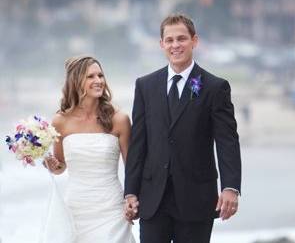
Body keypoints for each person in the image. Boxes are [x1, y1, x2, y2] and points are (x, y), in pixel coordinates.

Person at [124, 14, 242, 243]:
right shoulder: (145, 86)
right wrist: (130, 192)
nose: (175, 45)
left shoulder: (215, 87)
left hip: (196, 198)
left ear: (194, 41)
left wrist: (230, 187)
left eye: (181, 39)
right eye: (169, 40)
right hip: (153, 198)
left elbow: (227, 140)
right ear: (161, 44)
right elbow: (138, 143)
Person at [44, 55, 135, 243]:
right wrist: (52, 165)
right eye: (91, 77)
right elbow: (60, 167)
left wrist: (131, 198)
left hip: (111, 208)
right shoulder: (60, 121)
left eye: (100, 76)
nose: (98, 81)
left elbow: (132, 167)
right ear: (76, 81)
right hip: (76, 208)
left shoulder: (120, 119)